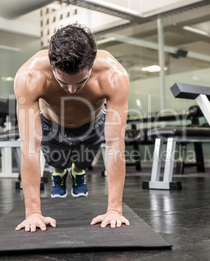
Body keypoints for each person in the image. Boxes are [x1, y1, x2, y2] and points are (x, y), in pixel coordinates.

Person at [14, 24, 130, 232]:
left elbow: (114, 145)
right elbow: (30, 145)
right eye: (62, 82)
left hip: (93, 124)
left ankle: (77, 171)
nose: (71, 90)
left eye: (81, 82)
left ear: (92, 63)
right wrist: (33, 213)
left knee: (84, 161)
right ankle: (59, 171)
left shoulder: (114, 76)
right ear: (51, 62)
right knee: (55, 160)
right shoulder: (29, 77)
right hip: (52, 125)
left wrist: (115, 210)